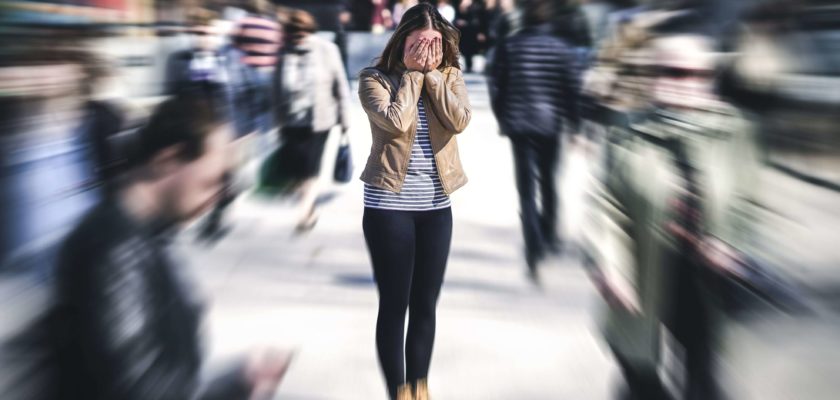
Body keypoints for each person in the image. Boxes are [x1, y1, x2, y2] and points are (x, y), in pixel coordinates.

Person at [6, 93, 291, 400]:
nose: (222, 195)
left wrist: (241, 379)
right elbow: (140, 391)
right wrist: (231, 388)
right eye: (213, 180)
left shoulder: (147, 233)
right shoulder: (113, 252)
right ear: (167, 161)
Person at [358, 2, 470, 399]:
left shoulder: (451, 76)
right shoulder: (375, 78)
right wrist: (410, 76)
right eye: (420, 42)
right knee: (395, 304)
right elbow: (395, 121)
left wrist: (434, 79)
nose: (428, 50)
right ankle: (397, 391)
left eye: (435, 42)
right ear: (402, 40)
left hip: (437, 208)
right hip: (389, 206)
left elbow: (459, 121)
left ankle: (419, 387)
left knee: (426, 303)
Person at [488, 0, 581, 282]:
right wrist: (575, 124)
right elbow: (571, 88)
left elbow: (497, 85)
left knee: (526, 191)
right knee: (550, 182)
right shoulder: (561, 49)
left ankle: (533, 247)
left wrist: (502, 116)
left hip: (519, 126)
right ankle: (549, 234)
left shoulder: (510, 46)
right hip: (550, 125)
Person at [274, 9, 351, 232]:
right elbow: (275, 89)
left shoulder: (327, 50)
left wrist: (345, 121)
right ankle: (309, 207)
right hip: (291, 121)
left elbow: (341, 86)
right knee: (298, 171)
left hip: (320, 120)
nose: (298, 38)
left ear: (310, 31)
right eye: (293, 34)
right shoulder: (283, 53)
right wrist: (277, 122)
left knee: (311, 168)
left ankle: (304, 213)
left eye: (301, 33)